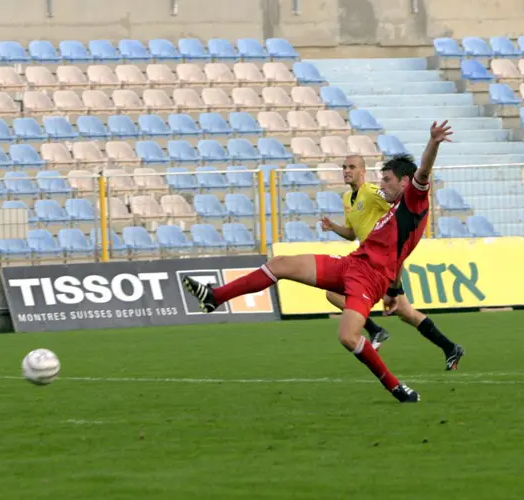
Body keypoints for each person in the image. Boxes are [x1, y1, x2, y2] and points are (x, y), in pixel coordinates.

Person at [183, 121, 453, 403]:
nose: (381, 184)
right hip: (352, 264)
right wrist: (395, 291)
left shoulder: (414, 200)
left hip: (369, 278)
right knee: (280, 264)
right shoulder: (392, 208)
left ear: (405, 183)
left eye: (386, 180)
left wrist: (433, 142)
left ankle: (398, 389)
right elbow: (398, 255)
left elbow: (423, 170)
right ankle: (216, 297)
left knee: (348, 337)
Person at [320, 155, 465, 371]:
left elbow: (398, 207)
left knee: (334, 292)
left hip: (384, 261)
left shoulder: (373, 192)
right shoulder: (347, 198)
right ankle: (449, 347)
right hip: (368, 262)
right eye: (344, 167)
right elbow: (351, 233)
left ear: (363, 171)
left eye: (351, 167)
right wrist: (334, 227)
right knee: (406, 313)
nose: (346, 171)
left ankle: (375, 330)